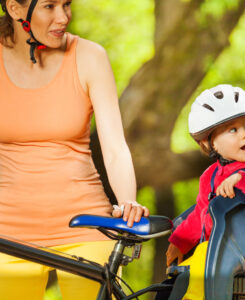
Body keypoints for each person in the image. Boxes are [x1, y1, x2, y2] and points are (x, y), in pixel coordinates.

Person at [0, 0, 148, 299]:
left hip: (86, 224)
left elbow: (115, 147)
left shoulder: (89, 56)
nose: (63, 17)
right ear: (15, 9)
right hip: (6, 232)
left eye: (66, 4)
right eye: (49, 6)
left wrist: (128, 203)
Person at [163, 84, 245, 299]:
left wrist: (243, 179)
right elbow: (200, 215)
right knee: (171, 285)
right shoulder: (209, 176)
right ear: (209, 144)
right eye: (233, 130)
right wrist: (178, 242)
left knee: (194, 278)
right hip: (216, 248)